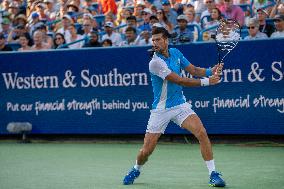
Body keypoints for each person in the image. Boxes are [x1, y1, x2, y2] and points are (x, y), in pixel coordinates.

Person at [122, 26, 226, 187]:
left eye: (158, 39)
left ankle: (213, 173)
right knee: (146, 151)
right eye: (153, 40)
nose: (155, 43)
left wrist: (209, 71)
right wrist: (208, 82)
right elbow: (179, 80)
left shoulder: (176, 53)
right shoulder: (155, 63)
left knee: (201, 133)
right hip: (160, 110)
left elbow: (193, 70)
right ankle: (136, 168)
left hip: (180, 105)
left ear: (166, 40)